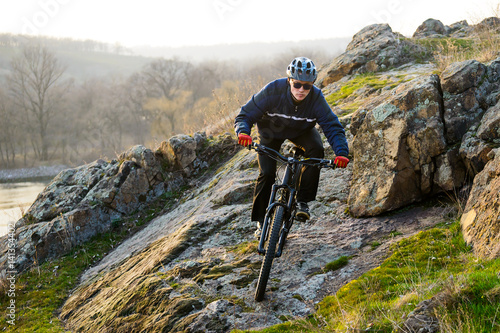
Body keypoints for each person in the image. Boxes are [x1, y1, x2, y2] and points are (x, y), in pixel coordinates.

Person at [234, 57, 349, 236]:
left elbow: (332, 126)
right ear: (289, 81)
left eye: (307, 86)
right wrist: (243, 133)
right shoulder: (273, 90)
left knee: (316, 151)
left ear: (312, 85)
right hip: (271, 130)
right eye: (297, 85)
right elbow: (245, 114)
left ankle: (302, 201)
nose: (301, 90)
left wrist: (341, 153)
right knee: (266, 173)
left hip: (301, 131)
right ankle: (260, 221)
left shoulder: (316, 98)